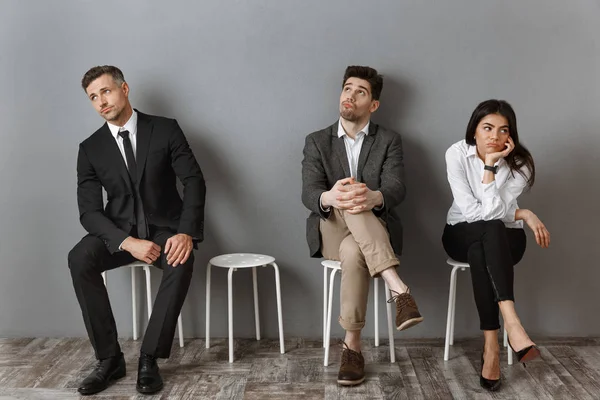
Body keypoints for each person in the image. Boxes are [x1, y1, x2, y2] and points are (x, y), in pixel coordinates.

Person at [68, 66, 205, 395]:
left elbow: (193, 181)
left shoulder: (165, 129)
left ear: (124, 89)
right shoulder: (90, 148)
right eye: (93, 97)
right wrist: (127, 242)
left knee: (181, 260)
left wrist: (185, 232)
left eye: (106, 91)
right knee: (79, 258)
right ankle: (109, 360)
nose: (101, 101)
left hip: (165, 229)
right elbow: (89, 212)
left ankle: (149, 358)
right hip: (119, 232)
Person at [302, 65, 423, 386]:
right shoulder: (316, 141)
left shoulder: (389, 140)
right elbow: (309, 192)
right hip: (330, 228)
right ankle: (398, 288)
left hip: (372, 232)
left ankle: (352, 346)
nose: (350, 96)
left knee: (356, 250)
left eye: (360, 92)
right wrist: (331, 195)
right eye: (347, 88)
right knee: (348, 196)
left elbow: (396, 187)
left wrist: (375, 196)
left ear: (373, 105)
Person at [442, 99, 550, 391]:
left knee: (485, 243)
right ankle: (512, 324)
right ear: (474, 130)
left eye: (503, 130)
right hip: (459, 233)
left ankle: (491, 347)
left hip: (506, 239)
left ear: (510, 135)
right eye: (487, 128)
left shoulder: (521, 164)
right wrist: (522, 212)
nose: (495, 136)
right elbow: (474, 213)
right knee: (484, 232)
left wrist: (494, 167)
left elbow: (490, 215)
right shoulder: (456, 154)